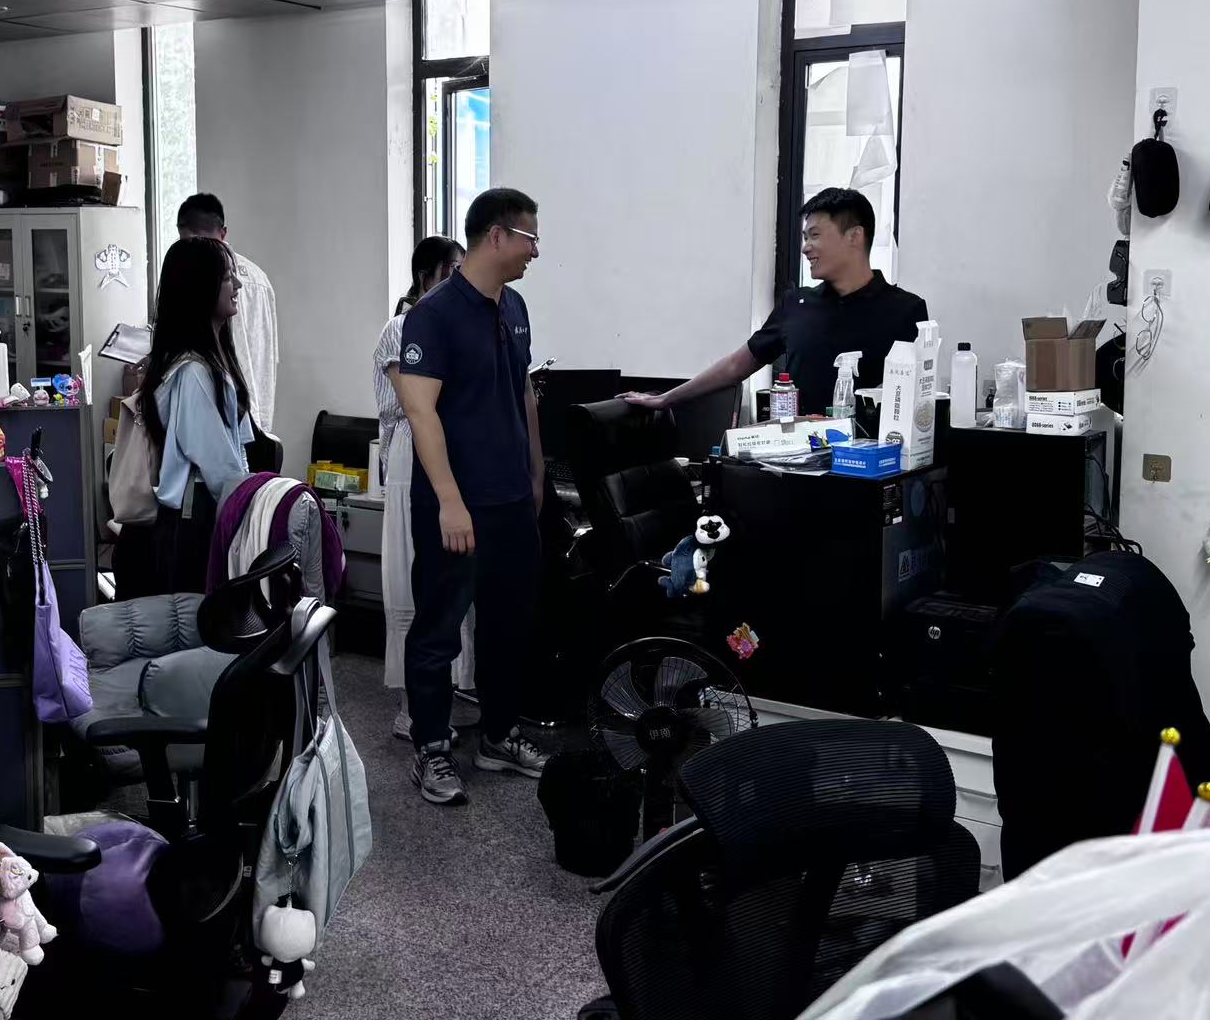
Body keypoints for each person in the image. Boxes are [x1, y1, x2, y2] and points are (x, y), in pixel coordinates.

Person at [395, 188, 549, 805]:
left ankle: (498, 735)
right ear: (498, 236)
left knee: (510, 624)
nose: (536, 250)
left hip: (510, 497)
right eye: (530, 238)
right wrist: (450, 501)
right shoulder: (433, 315)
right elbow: (420, 410)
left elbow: (523, 394)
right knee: (439, 626)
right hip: (456, 502)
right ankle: (431, 746)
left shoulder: (514, 306)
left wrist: (536, 472)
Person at [624, 188, 928, 418]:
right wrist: (666, 399)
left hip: (869, 468)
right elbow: (736, 366)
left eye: (815, 236)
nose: (806, 248)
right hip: (798, 465)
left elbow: (914, 403)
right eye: (804, 238)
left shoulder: (906, 310)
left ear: (854, 237)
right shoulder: (796, 305)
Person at [374, 236, 474, 743]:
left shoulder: (451, 322)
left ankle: (442, 697)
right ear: (426, 275)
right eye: (453, 268)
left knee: (447, 582)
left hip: (444, 454)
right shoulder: (402, 327)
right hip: (409, 453)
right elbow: (417, 402)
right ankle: (412, 708)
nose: (461, 277)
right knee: (412, 578)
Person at [139, 237, 255, 595]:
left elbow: (239, 447)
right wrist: (259, 507)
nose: (237, 285)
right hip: (196, 522)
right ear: (200, 288)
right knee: (201, 620)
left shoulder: (214, 364)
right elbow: (220, 467)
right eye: (228, 277)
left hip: (207, 513)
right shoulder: (193, 373)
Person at [179, 193, 278, 434]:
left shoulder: (200, 280)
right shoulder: (259, 278)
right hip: (252, 413)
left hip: (228, 413)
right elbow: (271, 355)